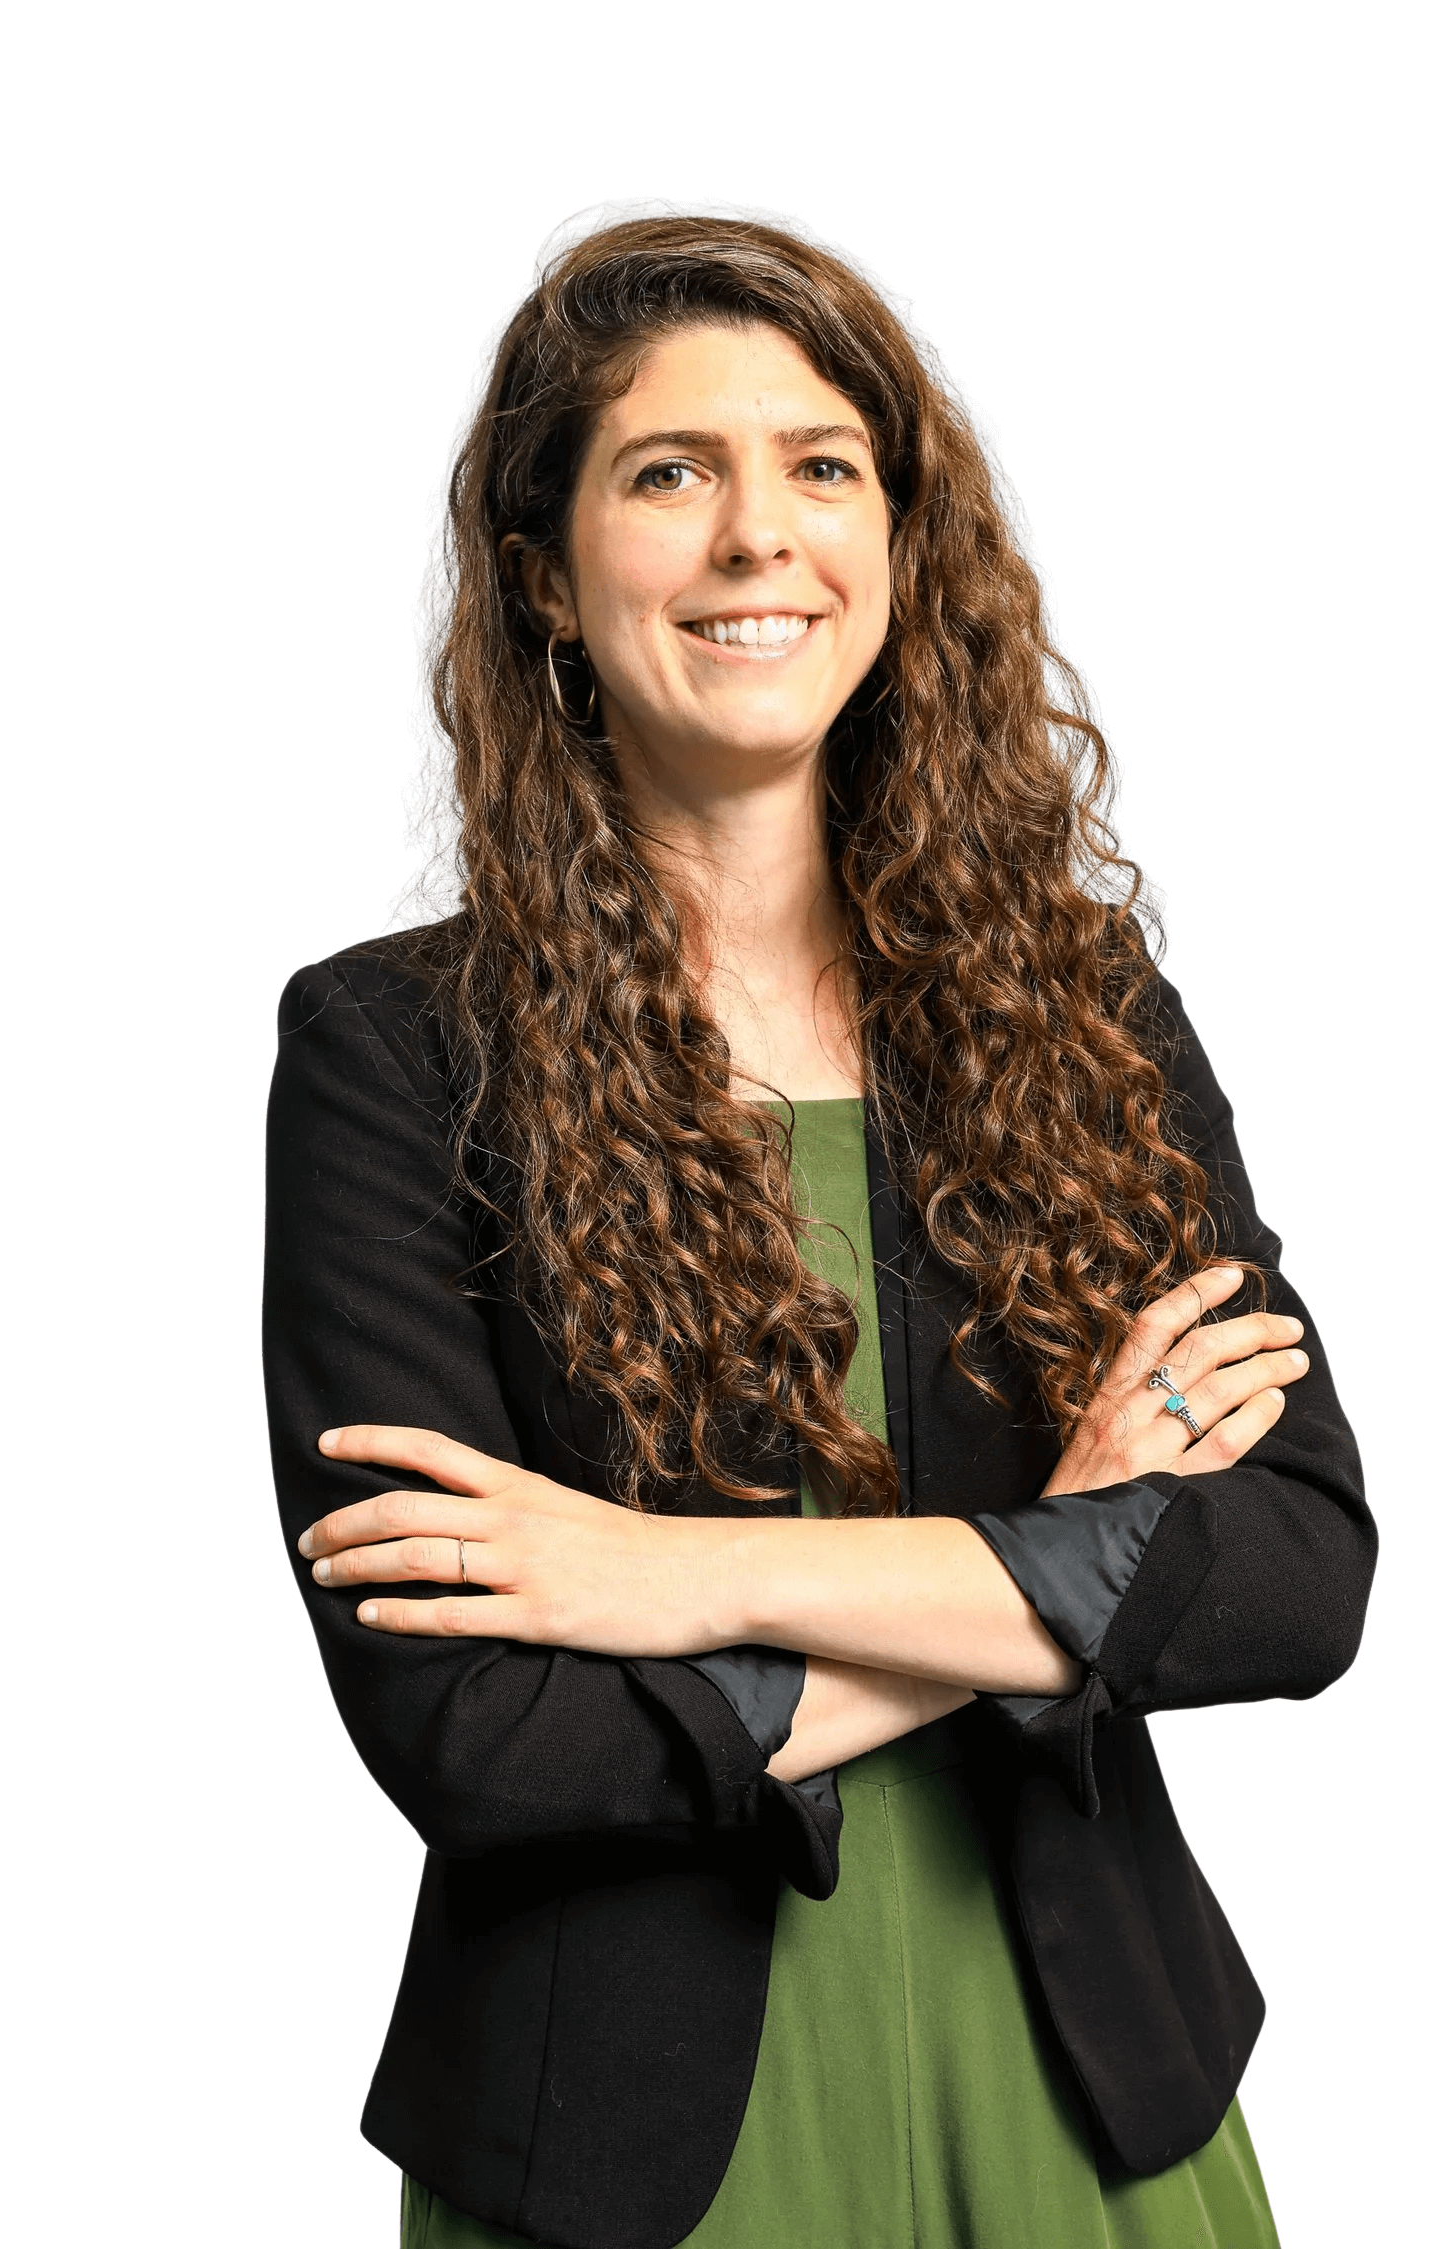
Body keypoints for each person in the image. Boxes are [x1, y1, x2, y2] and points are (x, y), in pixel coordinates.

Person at [262, 216, 1374, 2249]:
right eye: (670, 470)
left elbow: (1294, 1570)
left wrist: (659, 1576)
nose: (757, 531)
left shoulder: (1078, 1008)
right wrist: (1061, 1563)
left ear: (897, 545)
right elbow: (486, 1733)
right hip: (627, 2147)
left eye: (822, 465)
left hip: (1091, 2092)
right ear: (547, 573)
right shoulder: (394, 1056)